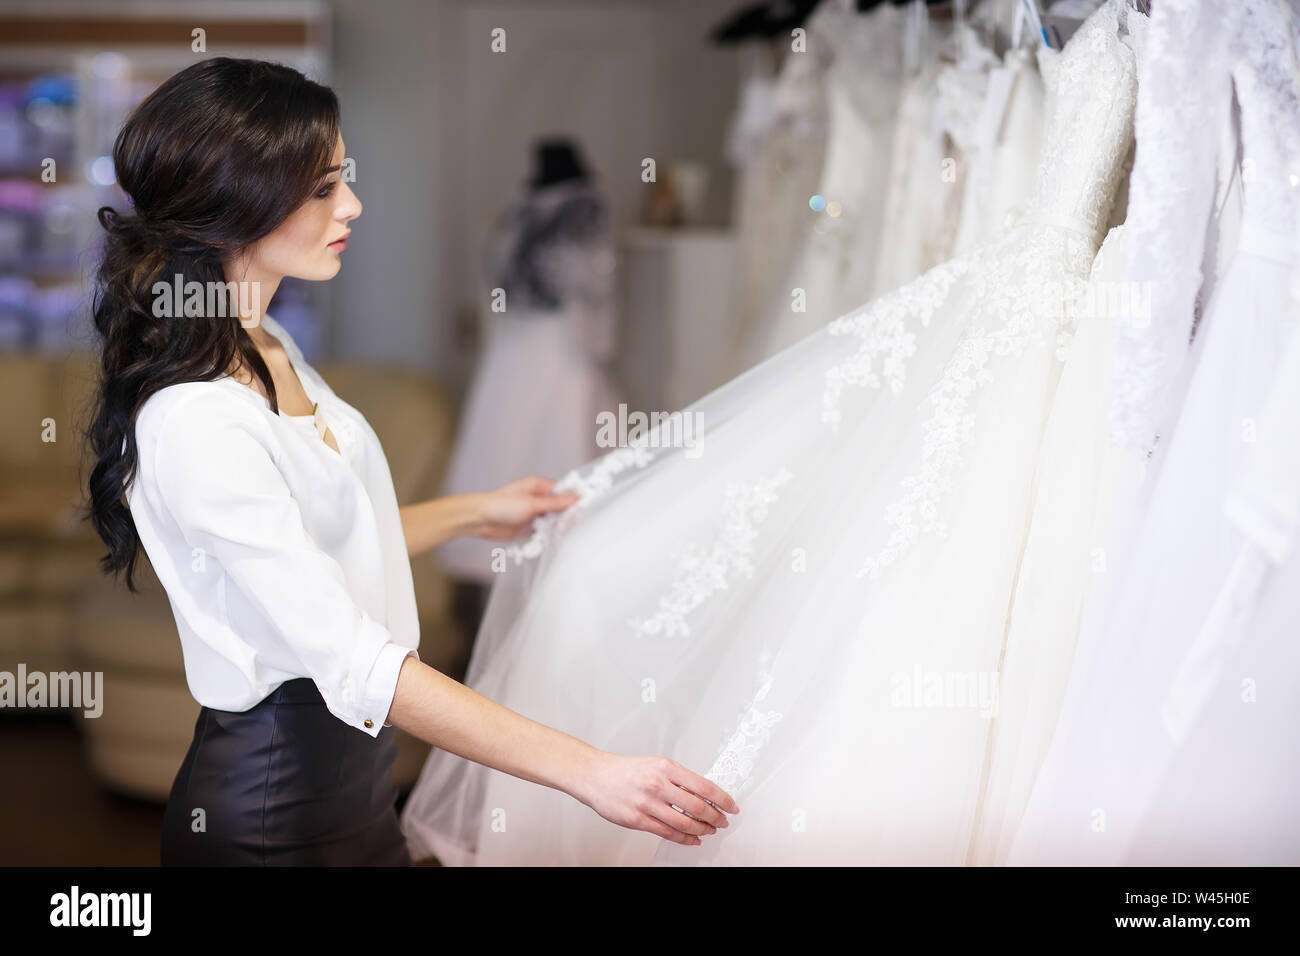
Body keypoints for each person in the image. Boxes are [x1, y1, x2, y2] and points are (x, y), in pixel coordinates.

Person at [81, 57, 737, 866]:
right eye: (323, 188)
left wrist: (475, 510)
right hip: (271, 819)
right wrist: (589, 772)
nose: (352, 205)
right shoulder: (198, 420)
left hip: (356, 795)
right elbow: (356, 659)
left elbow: (322, 543)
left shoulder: (267, 341)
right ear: (234, 202)